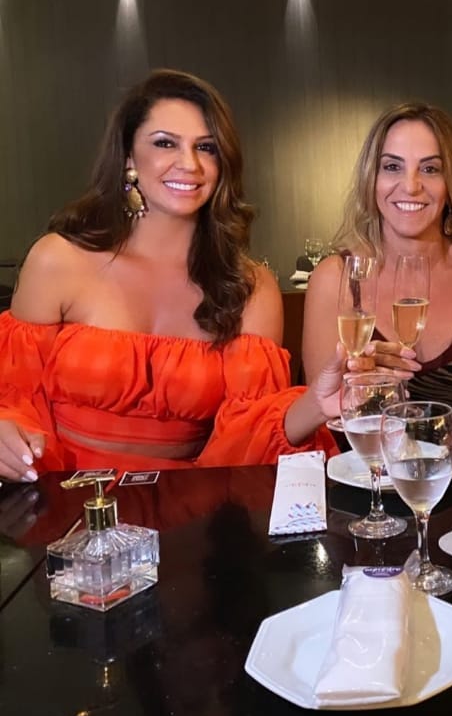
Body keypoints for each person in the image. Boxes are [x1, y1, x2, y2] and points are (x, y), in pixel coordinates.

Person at [0, 67, 347, 484]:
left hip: (190, 508)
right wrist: (6, 432)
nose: (189, 163)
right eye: (165, 143)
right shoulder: (57, 259)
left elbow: (247, 441)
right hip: (66, 500)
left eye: (206, 147)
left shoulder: (251, 288)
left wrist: (317, 404)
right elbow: (16, 399)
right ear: (128, 156)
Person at [303, 101, 452, 452]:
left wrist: (434, 474)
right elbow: (327, 424)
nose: (411, 185)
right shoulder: (334, 278)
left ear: (451, 183)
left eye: (430, 169)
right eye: (392, 167)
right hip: (361, 478)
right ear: (371, 179)